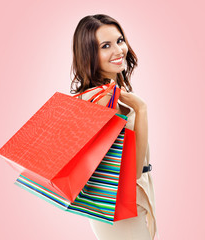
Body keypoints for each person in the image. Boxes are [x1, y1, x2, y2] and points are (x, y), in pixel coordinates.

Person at [70, 14, 158, 240]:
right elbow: (133, 170)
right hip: (121, 206)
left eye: (120, 40)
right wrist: (142, 109)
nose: (119, 50)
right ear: (89, 54)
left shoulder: (97, 95)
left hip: (119, 202)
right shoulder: (102, 100)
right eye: (105, 46)